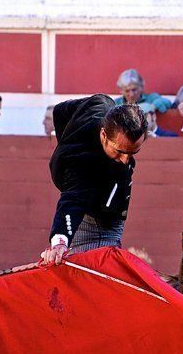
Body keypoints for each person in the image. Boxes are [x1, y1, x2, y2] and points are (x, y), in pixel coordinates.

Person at [39, 96, 147, 265]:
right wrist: (60, 241)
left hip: (107, 205)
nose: (126, 160)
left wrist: (65, 141)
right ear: (103, 135)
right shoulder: (81, 164)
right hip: (92, 219)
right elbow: (71, 202)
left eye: (133, 153)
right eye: (119, 151)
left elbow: (60, 110)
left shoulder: (101, 103)